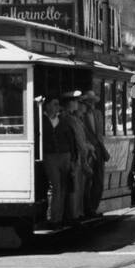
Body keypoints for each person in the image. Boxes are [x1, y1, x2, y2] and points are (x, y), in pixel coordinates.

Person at [41, 96, 78, 227]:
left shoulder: (63, 121)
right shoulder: (41, 120)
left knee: (63, 187)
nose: (58, 107)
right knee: (55, 186)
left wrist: (73, 157)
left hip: (65, 156)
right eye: (55, 104)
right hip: (50, 156)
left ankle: (59, 217)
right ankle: (53, 218)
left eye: (58, 104)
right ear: (47, 106)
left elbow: (71, 140)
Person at [80, 90, 110, 219]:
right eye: (88, 101)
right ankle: (87, 208)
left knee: (98, 180)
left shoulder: (98, 114)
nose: (91, 103)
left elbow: (100, 133)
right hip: (87, 151)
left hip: (98, 149)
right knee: (87, 182)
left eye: (92, 101)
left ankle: (94, 207)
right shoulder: (81, 115)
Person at [62, 94, 91, 224]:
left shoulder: (75, 119)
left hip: (78, 155)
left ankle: (77, 213)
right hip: (75, 156)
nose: (79, 104)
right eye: (75, 101)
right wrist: (84, 152)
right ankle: (74, 214)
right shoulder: (69, 119)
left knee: (78, 186)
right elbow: (79, 140)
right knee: (75, 186)